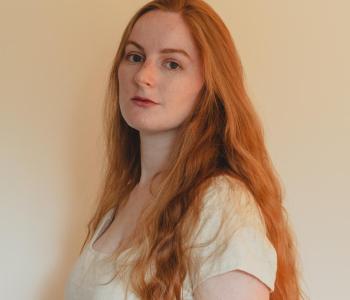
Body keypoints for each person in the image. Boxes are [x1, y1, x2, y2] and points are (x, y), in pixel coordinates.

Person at [65, 0, 304, 299]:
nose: (143, 76)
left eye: (172, 63)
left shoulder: (220, 202)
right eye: (135, 56)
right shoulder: (123, 201)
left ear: (209, 85)